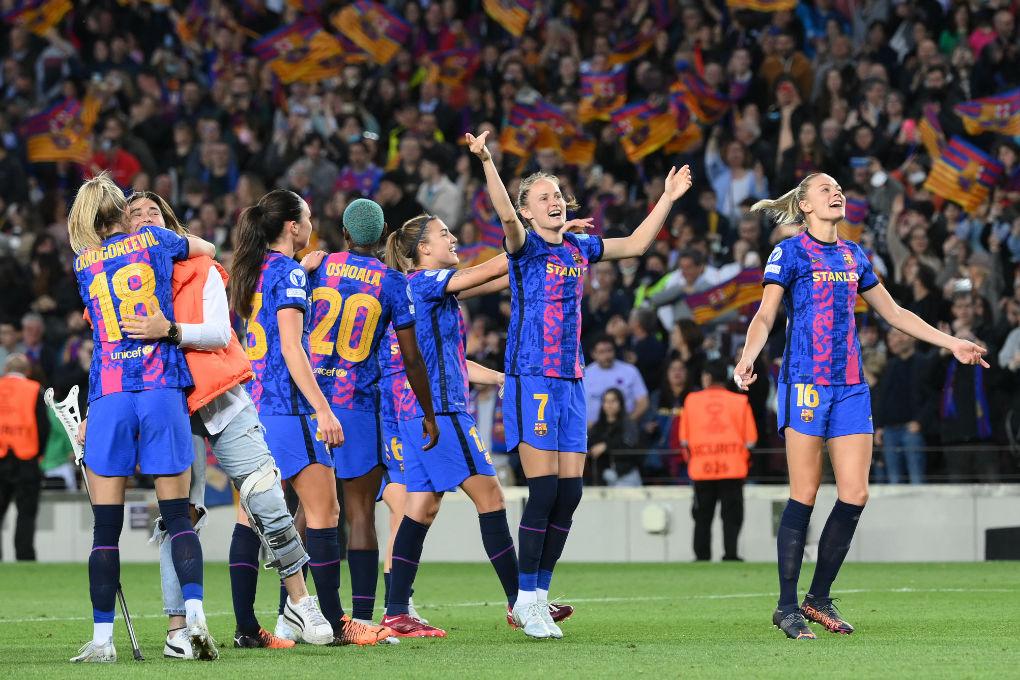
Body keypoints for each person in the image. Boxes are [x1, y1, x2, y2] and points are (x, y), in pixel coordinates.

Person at [733, 173, 988, 640]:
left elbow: (894, 313)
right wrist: (749, 355)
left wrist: (952, 342)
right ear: (805, 205)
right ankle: (786, 606)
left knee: (855, 494)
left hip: (851, 385)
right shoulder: (789, 252)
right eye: (825, 189)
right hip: (805, 383)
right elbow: (766, 314)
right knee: (804, 494)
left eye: (838, 188)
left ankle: (817, 598)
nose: (836, 193)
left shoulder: (854, 254)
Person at [467, 129, 692, 638]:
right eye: (542, 197)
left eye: (557, 195)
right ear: (528, 211)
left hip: (571, 380)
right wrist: (487, 161)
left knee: (569, 495)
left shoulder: (577, 247)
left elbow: (636, 245)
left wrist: (667, 198)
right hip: (531, 378)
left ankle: (540, 596)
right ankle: (524, 600)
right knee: (543, 491)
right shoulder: (523, 246)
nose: (553, 201)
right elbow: (505, 216)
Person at [117, 191, 332, 654]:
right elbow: (113, 357)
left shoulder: (201, 268)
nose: (146, 218)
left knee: (266, 495)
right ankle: (178, 630)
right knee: (180, 516)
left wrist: (169, 330)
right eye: (135, 214)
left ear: (171, 227)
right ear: (123, 230)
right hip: (168, 407)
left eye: (154, 212)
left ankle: (300, 602)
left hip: (220, 398)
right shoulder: (118, 285)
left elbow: (218, 333)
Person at [228, 189, 391, 647]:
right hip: (290, 409)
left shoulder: (253, 270)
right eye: (308, 217)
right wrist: (322, 408)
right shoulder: (289, 273)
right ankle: (337, 622)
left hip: (252, 407)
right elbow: (291, 346)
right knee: (325, 511)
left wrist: (302, 267)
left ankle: (247, 629)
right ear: (293, 227)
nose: (312, 225)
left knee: (250, 517)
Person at [67, 172, 218, 662]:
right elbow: (207, 248)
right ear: (120, 211)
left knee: (105, 529)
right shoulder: (154, 240)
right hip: (160, 386)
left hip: (110, 393)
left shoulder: (82, 262)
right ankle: (193, 620)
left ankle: (102, 640)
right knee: (177, 516)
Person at [381, 214, 544, 638]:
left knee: (421, 506)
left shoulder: (430, 291)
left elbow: (495, 282)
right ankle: (521, 602)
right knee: (491, 498)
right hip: (441, 412)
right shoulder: (423, 282)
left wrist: (498, 377)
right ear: (423, 250)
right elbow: (486, 271)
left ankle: (396, 611)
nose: (453, 238)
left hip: (418, 412)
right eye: (444, 234)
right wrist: (536, 240)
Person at [304, 198, 438, 634]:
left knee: (307, 511)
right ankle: (363, 618)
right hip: (357, 403)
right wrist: (428, 411)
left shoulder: (318, 267)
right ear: (383, 237)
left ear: (345, 233)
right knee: (360, 511)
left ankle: (298, 614)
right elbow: (411, 358)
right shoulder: (393, 280)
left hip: (310, 400)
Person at [679, 360, 757, 561]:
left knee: (702, 516)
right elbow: (751, 440)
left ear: (707, 377)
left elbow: (684, 440)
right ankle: (731, 554)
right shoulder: (740, 402)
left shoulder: (691, 400)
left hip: (701, 469)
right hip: (733, 468)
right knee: (732, 516)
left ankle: (701, 557)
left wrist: (692, 460)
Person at [0, 353, 49, 561]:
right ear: (27, 371)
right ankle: (24, 557)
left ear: (5, 370)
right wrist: (40, 453)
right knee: (26, 513)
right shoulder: (34, 389)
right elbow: (43, 426)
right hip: (27, 458)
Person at [873, 329, 931, 484]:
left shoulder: (924, 362)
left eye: (899, 335)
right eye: (891, 336)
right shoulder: (890, 366)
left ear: (913, 338)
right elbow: (882, 399)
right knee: (894, 481)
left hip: (911, 429)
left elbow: (933, 397)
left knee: (917, 478)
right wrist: (879, 426)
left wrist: (920, 421)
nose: (895, 340)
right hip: (889, 430)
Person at [583, 334, 649, 425]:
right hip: (592, 429)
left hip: (624, 428)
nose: (607, 356)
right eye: (602, 352)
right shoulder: (584, 375)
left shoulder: (630, 371)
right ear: (593, 354)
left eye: (609, 350)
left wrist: (628, 423)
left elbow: (643, 402)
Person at [586, 388, 641, 486]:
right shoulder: (597, 427)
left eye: (613, 401)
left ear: (620, 403)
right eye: (606, 401)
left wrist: (606, 446)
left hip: (625, 476)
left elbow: (631, 447)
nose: (609, 405)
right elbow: (589, 448)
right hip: (600, 478)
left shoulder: (628, 425)